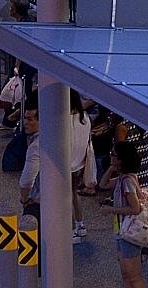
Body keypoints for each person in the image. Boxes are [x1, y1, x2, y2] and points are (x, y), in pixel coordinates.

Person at [99, 139, 148, 288]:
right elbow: (103, 184)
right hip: (123, 231)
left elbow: (135, 209)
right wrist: (112, 168)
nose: (111, 156)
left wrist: (110, 210)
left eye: (113, 154)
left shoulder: (127, 181)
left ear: (121, 159)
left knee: (133, 276)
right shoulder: (124, 178)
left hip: (129, 233)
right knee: (126, 275)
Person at [69, 89, 96, 240]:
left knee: (66, 197)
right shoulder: (85, 118)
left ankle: (71, 229)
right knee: (74, 194)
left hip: (66, 165)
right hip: (80, 164)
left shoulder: (64, 120)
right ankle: (81, 224)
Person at [18, 102, 41, 219]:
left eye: (30, 119)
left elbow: (26, 181)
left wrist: (24, 199)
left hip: (37, 204)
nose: (25, 123)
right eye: (24, 118)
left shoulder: (36, 147)